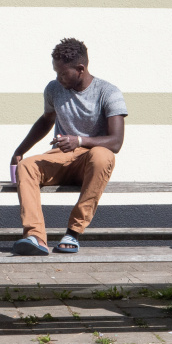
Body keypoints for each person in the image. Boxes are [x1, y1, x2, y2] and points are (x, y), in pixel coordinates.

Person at [10, 38, 128, 255]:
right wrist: (20, 150)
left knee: (103, 155)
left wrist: (79, 140)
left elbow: (116, 141)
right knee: (27, 165)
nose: (58, 78)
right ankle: (35, 237)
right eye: (56, 72)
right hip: (62, 157)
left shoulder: (108, 92)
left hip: (92, 162)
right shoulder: (54, 89)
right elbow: (46, 120)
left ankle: (73, 232)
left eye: (63, 73)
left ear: (80, 69)